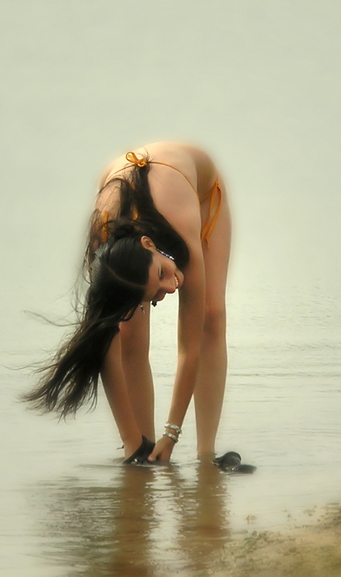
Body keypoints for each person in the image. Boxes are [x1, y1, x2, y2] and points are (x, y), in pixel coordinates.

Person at [24, 141, 231, 464]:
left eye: (162, 274)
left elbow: (189, 350)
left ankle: (206, 455)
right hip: (122, 192)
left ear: (151, 245)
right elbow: (102, 339)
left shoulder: (179, 222)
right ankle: (144, 452)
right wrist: (132, 440)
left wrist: (172, 433)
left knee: (210, 316)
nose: (172, 286)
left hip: (198, 192)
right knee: (130, 333)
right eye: (156, 294)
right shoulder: (102, 239)